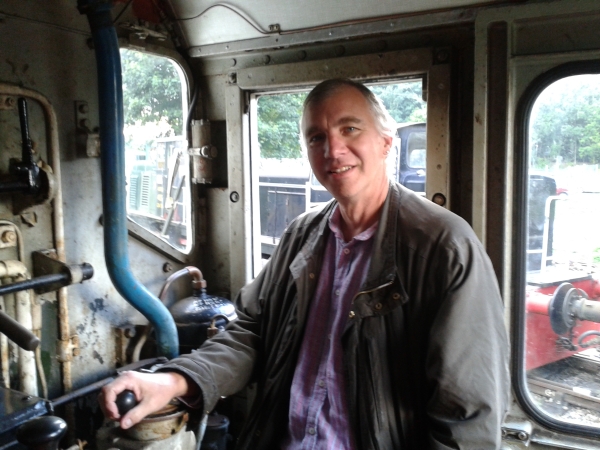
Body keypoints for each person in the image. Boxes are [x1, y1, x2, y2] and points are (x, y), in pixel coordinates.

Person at [100, 78, 510, 449]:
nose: (333, 150)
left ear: (386, 142)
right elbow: (252, 332)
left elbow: (467, 415)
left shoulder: (442, 247)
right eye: (316, 137)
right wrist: (175, 379)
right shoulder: (302, 235)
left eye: (350, 129)